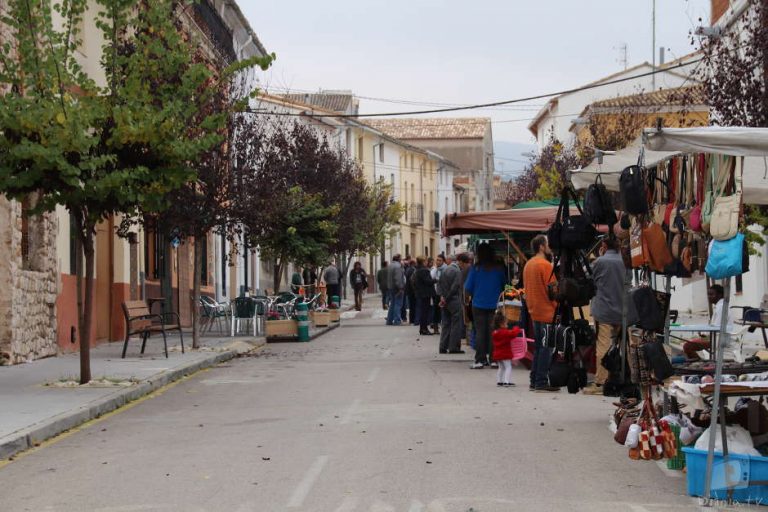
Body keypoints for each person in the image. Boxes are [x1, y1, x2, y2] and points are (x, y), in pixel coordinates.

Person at [584, 237, 626, 396]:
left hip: (604, 310)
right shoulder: (624, 261)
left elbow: (590, 280)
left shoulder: (600, 262)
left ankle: (601, 382)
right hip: (622, 310)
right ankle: (625, 378)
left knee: (603, 346)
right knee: (623, 346)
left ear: (603, 245)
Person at [523, 235, 559, 392]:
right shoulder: (545, 265)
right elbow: (553, 290)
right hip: (546, 312)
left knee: (539, 347)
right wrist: (557, 307)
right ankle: (541, 381)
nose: (550, 247)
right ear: (541, 247)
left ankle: (534, 380)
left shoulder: (528, 264)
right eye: (548, 244)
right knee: (546, 348)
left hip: (534, 311)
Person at [464, 244, 507, 369]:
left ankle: (480, 360)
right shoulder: (499, 269)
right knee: (494, 332)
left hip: (478, 304)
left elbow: (467, 289)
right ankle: (494, 359)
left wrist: (468, 300)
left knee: (480, 332)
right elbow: (505, 286)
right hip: (495, 305)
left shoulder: (475, 269)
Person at [683, 285, 726, 360]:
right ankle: (701, 362)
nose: (709, 297)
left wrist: (706, 335)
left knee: (687, 346)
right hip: (717, 336)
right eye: (708, 294)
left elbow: (717, 328)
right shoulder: (721, 306)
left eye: (711, 294)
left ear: (720, 295)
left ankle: (701, 363)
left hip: (718, 338)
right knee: (690, 343)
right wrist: (705, 334)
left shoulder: (721, 308)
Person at [437, 254, 465, 354]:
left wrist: (442, 297)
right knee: (456, 324)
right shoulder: (457, 271)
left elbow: (439, 285)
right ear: (457, 262)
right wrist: (447, 298)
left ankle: (442, 346)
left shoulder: (444, 270)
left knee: (445, 323)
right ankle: (454, 347)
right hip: (453, 300)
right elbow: (455, 287)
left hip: (444, 300)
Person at [492, 311, 521, 387]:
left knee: (501, 367)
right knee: (508, 367)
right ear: (502, 324)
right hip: (505, 353)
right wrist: (516, 327)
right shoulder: (505, 332)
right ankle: (506, 381)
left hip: (498, 353)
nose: (507, 325)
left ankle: (499, 381)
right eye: (506, 323)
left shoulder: (495, 332)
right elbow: (513, 334)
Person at [413, 256, 435, 336]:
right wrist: (436, 280)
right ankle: (424, 329)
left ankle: (422, 328)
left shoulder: (418, 269)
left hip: (421, 293)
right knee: (425, 312)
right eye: (425, 261)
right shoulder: (424, 270)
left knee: (423, 311)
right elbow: (428, 281)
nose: (427, 262)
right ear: (423, 262)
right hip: (425, 293)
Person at [386, 254, 405, 326]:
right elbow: (398, 278)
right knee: (398, 304)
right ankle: (397, 320)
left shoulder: (390, 265)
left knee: (393, 304)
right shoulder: (398, 266)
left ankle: (389, 320)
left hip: (391, 287)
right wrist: (400, 288)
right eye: (401, 259)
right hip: (397, 288)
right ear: (399, 259)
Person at [430, 256, 443, 334]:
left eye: (440, 260)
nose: (438, 262)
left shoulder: (444, 269)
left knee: (440, 310)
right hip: (436, 292)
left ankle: (438, 325)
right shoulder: (434, 269)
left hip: (442, 292)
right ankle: (435, 327)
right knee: (436, 310)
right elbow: (431, 277)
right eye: (437, 260)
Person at [404, 257, 418, 325]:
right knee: (413, 305)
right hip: (412, 290)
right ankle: (413, 320)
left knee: (411, 305)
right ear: (413, 263)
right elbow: (412, 281)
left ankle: (411, 320)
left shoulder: (408, 269)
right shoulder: (412, 270)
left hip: (409, 290)